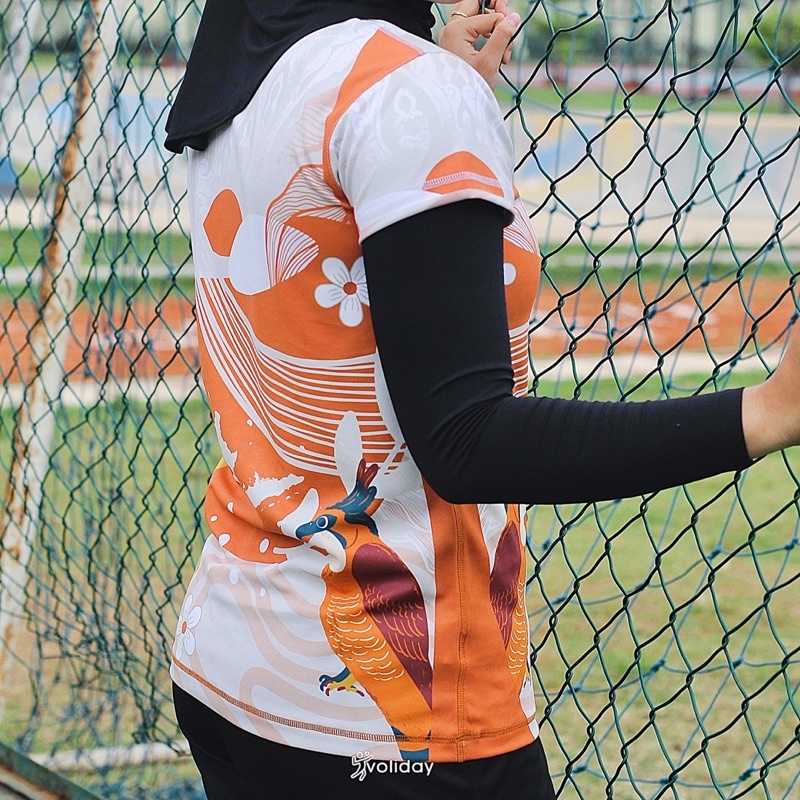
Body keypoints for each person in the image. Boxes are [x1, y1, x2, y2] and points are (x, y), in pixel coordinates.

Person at [163, 1, 800, 797]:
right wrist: (767, 413)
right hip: (402, 718)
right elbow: (467, 441)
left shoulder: (259, 73)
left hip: (238, 664)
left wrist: (435, 96)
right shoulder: (404, 89)